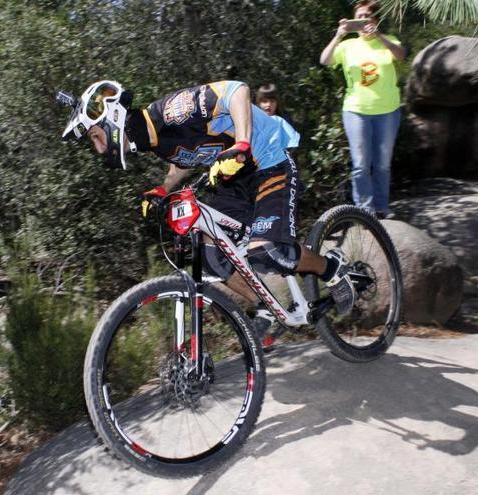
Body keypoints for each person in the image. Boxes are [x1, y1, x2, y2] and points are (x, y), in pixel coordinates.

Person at [60, 80, 359, 342]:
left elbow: (237, 91)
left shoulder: (172, 111)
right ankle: (267, 308)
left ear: (111, 118)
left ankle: (332, 268)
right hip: (233, 178)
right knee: (210, 256)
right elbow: (183, 158)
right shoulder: (151, 139)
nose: (99, 148)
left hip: (267, 159)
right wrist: (163, 189)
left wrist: (242, 144)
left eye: (95, 137)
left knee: (268, 251)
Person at [319, 0, 406, 219]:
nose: (364, 19)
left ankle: (382, 207)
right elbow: (325, 60)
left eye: (368, 15)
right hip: (356, 110)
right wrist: (339, 34)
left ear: (376, 19)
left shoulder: (388, 41)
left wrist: (379, 36)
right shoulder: (347, 46)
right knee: (360, 164)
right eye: (360, 15)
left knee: (383, 164)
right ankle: (365, 211)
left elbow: (401, 55)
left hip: (388, 111)